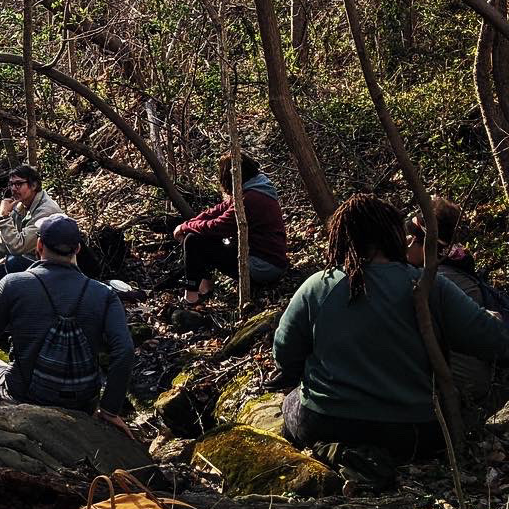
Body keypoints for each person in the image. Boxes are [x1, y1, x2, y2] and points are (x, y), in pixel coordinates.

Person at [273, 194, 509, 461]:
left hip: (325, 422)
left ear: (341, 237)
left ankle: (337, 453)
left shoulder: (318, 285)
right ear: (394, 234)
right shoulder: (428, 285)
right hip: (413, 433)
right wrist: (493, 320)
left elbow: (284, 353)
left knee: (290, 401)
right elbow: (492, 339)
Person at [0, 215, 135, 435]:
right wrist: (109, 409)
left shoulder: (14, 284)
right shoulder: (105, 294)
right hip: (83, 403)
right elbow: (124, 351)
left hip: (26, 395)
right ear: (77, 249)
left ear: (39, 245)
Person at [405, 197, 506, 406]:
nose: (406, 242)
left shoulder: (437, 280)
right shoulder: (455, 264)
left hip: (469, 388)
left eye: (412, 237)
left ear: (428, 242)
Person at [173, 152, 288, 305]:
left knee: (194, 240)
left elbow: (217, 227)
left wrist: (186, 227)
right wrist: (190, 223)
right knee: (199, 235)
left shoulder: (249, 200)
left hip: (264, 267)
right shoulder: (256, 187)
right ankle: (204, 286)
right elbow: (219, 209)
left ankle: (191, 296)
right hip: (267, 259)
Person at [0, 165, 67, 298]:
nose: (13, 189)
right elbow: (3, 241)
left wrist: (5, 217)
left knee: (14, 261)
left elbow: (18, 247)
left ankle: (15, 312)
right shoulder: (21, 205)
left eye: (18, 184)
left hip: (51, 275)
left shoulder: (46, 211)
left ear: (33, 185)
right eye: (11, 184)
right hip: (31, 270)